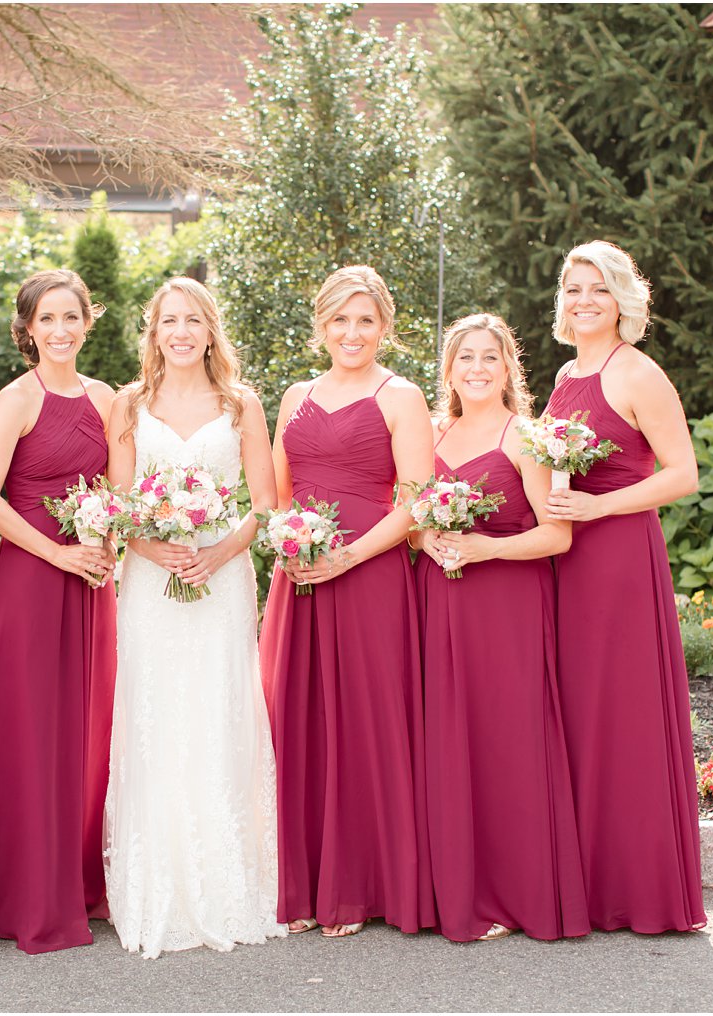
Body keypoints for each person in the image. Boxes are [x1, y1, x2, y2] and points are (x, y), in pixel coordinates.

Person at [102, 277, 284, 959]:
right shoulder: (130, 403)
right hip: (150, 581)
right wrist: (158, 549)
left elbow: (262, 503)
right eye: (167, 321)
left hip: (222, 578)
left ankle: (226, 877)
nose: (180, 332)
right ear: (152, 332)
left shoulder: (241, 404)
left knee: (215, 711)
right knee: (155, 712)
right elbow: (119, 507)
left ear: (211, 331)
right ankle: (156, 887)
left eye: (193, 321)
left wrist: (215, 553)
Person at [258, 265, 435, 939]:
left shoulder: (402, 396)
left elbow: (416, 500)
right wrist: (289, 544)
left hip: (369, 573)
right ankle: (304, 884)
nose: (352, 332)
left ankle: (359, 888)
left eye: (365, 320)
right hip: (301, 576)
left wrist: (349, 557)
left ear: (384, 327)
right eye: (339, 319)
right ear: (321, 326)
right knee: (298, 720)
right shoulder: (296, 395)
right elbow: (277, 491)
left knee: (365, 723)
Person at [542, 240, 706, 934]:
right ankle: (587, 880)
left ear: (622, 301)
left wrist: (600, 507)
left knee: (623, 714)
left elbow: (683, 473)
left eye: (598, 290)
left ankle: (640, 892)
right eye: (574, 289)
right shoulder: (563, 374)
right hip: (565, 558)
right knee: (579, 715)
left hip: (617, 558)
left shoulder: (637, 372)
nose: (585, 302)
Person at [411, 313, 589, 943]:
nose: (477, 369)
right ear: (449, 369)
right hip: (440, 598)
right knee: (449, 740)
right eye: (466, 358)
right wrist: (431, 541)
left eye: (490, 357)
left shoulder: (526, 438)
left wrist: (483, 549)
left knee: (508, 740)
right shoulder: (431, 431)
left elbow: (557, 534)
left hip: (508, 603)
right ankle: (457, 887)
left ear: (509, 367)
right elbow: (409, 513)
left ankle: (517, 893)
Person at [0, 268, 118, 955]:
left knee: (84, 732)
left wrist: (103, 538)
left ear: (89, 323)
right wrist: (55, 555)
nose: (59, 331)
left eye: (71, 317)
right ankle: (21, 892)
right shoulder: (15, 399)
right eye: (46, 319)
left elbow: (119, 487)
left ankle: (76, 879)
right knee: (28, 731)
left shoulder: (109, 399)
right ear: (27, 329)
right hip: (33, 577)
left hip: (91, 580)